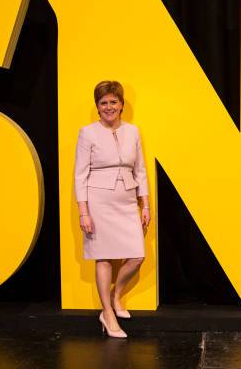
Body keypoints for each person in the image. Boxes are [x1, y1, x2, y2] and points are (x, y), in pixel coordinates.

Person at [74, 80, 150, 338]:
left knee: (137, 255)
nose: (108, 107)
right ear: (98, 107)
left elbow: (140, 169)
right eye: (103, 103)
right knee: (104, 257)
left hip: (127, 200)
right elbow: (80, 175)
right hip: (98, 202)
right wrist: (84, 211)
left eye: (113, 102)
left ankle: (116, 295)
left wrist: (146, 204)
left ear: (121, 105)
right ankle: (107, 314)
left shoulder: (133, 131)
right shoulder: (87, 133)